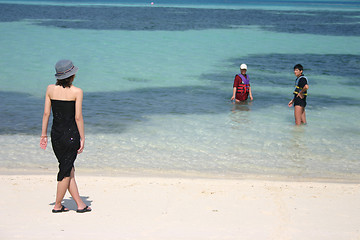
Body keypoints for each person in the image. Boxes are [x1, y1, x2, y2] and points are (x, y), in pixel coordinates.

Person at [40, 59, 91, 213]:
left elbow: (46, 113)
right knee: (65, 170)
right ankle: (57, 205)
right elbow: (78, 117)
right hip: (71, 135)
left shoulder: (50, 89)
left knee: (68, 169)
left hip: (56, 134)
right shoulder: (77, 92)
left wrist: (43, 135)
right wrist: (83, 137)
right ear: (72, 75)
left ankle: (80, 204)